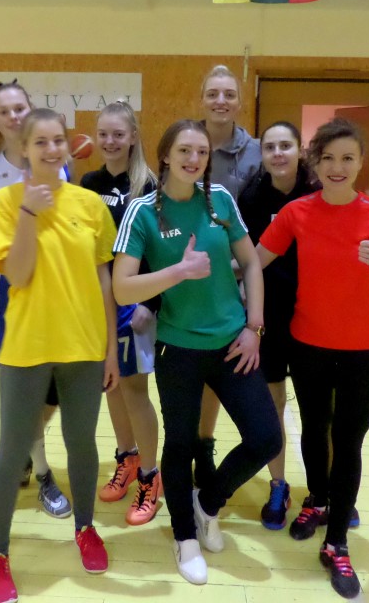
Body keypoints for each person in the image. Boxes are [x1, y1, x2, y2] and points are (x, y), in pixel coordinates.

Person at [113, 119, 281, 586]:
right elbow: (123, 288)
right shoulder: (143, 211)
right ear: (165, 155)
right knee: (181, 443)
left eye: (202, 152)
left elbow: (251, 263)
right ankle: (184, 537)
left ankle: (207, 504)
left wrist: (254, 327)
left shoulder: (220, 200)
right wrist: (178, 272)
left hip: (232, 343)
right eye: (184, 150)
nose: (194, 159)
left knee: (266, 438)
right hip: (178, 348)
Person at [257, 117, 369, 599]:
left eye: (347, 158)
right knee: (314, 428)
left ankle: (337, 542)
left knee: (347, 442)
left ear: (361, 162)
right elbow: (254, 260)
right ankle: (318, 499)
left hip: (365, 350)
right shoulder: (297, 212)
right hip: (308, 344)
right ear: (315, 163)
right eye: (328, 158)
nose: (337, 167)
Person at [0, 108, 119, 603]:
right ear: (22, 149)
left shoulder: (90, 204)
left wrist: (110, 349)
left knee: (82, 443)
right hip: (27, 346)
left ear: (68, 145)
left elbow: (104, 280)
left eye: (58, 140)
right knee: (12, 449)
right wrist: (28, 214)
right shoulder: (6, 202)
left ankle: (85, 527)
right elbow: (17, 275)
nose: (51, 149)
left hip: (84, 345)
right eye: (39, 142)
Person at [0, 80, 71, 519]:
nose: (13, 116)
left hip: (58, 299)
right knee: (22, 394)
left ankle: (23, 452)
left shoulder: (57, 163)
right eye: (4, 111)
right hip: (13, 295)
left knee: (50, 391)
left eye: (20, 108)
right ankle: (42, 474)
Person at [80, 101, 162, 526]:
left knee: (133, 390)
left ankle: (150, 477)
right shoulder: (89, 183)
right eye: (103, 134)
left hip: (135, 303)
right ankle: (126, 458)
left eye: (118, 134)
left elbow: (161, 248)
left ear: (132, 136)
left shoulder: (148, 185)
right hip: (98, 303)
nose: (110, 141)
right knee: (109, 384)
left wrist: (151, 302)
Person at [237, 121, 318, 530]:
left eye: (286, 145)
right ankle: (278, 484)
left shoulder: (319, 192)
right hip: (268, 315)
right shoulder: (252, 196)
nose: (278, 153)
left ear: (299, 150)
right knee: (274, 405)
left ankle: (324, 490)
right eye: (270, 147)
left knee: (318, 409)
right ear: (262, 154)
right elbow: (247, 258)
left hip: (314, 316)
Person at [195, 64, 262, 490]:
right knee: (194, 370)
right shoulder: (188, 142)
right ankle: (198, 447)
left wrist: (243, 267)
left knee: (230, 367)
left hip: (238, 279)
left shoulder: (256, 152)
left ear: (239, 101)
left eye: (229, 94)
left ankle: (214, 442)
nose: (221, 101)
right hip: (190, 277)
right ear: (202, 99)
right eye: (213, 93)